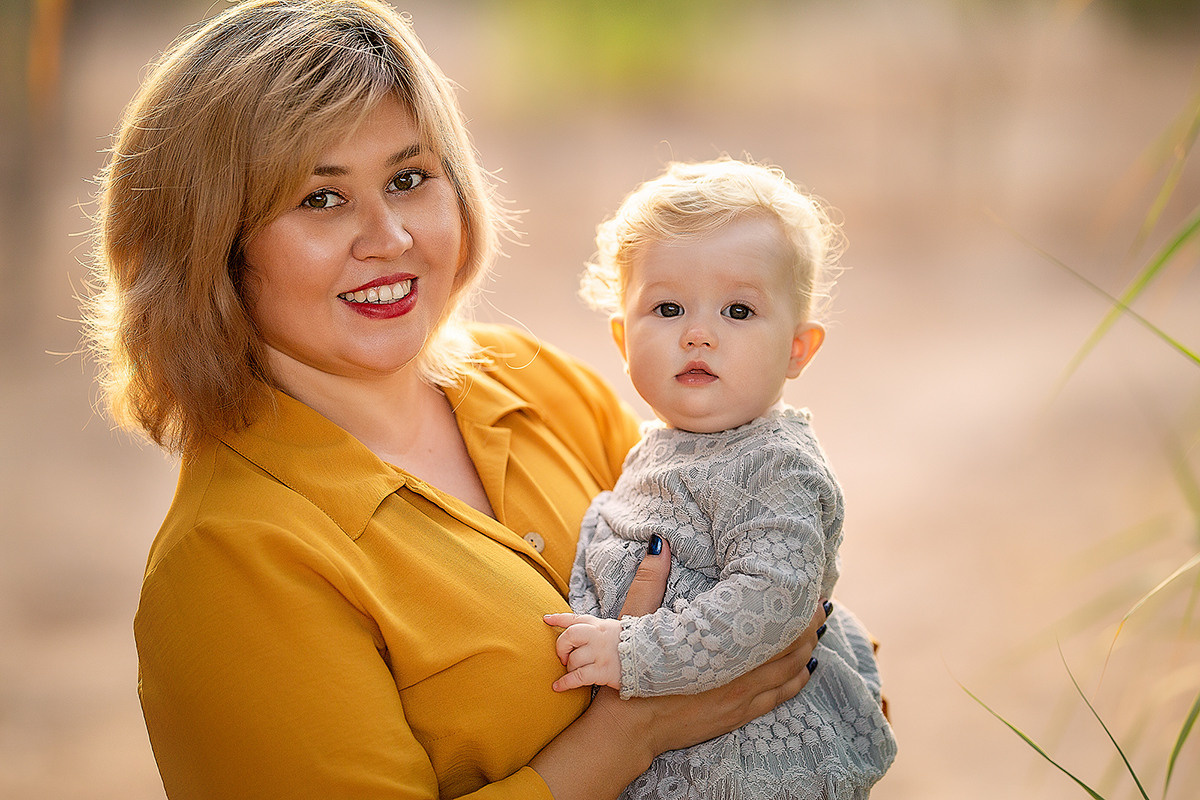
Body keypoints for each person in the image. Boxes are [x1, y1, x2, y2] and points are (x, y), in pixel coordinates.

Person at [81, 2, 833, 798]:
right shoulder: (228, 565)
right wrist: (633, 731)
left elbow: (792, 625)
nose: (390, 238)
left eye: (408, 180)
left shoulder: (534, 381)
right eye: (321, 199)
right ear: (213, 248)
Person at [543, 159, 897, 799]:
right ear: (623, 340)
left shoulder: (777, 464)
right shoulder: (656, 451)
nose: (698, 334)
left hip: (761, 771)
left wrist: (635, 651)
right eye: (669, 307)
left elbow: (770, 599)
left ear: (797, 348)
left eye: (738, 310)